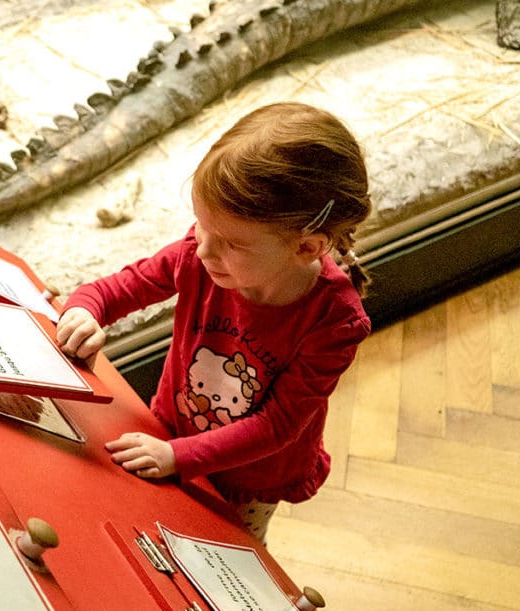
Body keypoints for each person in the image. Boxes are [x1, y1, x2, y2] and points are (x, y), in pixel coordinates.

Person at [56, 102, 372, 543]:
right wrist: (85, 310)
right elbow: (124, 286)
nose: (202, 249)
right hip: (168, 432)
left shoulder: (335, 322)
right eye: (201, 226)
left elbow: (278, 426)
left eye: (229, 242)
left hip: (250, 481)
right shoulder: (202, 253)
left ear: (306, 247)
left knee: (219, 551)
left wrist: (177, 456)